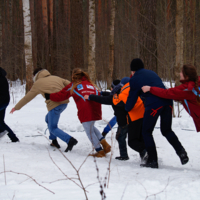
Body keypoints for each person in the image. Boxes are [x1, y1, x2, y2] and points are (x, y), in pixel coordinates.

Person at [125, 58, 189, 168]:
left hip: (154, 104)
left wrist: (125, 109)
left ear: (133, 70)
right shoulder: (152, 73)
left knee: (146, 131)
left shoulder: (134, 79)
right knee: (167, 130)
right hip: (168, 102)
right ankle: (181, 152)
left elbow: (132, 100)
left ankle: (152, 160)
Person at [45, 68, 111, 158]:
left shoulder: (73, 85)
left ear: (73, 76)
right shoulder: (90, 84)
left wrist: (49, 96)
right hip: (95, 107)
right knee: (91, 127)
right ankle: (105, 144)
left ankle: (99, 151)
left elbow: (61, 95)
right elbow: (98, 93)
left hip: (85, 110)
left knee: (89, 131)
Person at [10, 67, 78, 152]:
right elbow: (70, 84)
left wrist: (16, 107)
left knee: (52, 127)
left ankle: (70, 140)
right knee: (48, 119)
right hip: (64, 103)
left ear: (35, 75)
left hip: (54, 105)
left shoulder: (38, 83)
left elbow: (27, 98)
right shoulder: (56, 77)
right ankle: (54, 141)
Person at [142, 64, 200, 132]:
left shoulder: (187, 89)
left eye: (181, 72)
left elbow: (167, 93)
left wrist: (150, 89)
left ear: (186, 76)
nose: (180, 74)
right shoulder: (195, 84)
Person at [84, 79, 129, 160]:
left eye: (112, 87)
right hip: (128, 119)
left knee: (121, 137)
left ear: (114, 88)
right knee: (130, 138)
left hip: (124, 121)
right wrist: (101, 93)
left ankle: (124, 155)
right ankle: (128, 154)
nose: (111, 89)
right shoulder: (121, 93)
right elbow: (109, 95)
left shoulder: (115, 98)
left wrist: (90, 97)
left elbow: (103, 99)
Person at [112, 77, 147, 163]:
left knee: (132, 141)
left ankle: (145, 152)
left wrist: (114, 95)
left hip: (133, 119)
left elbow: (117, 102)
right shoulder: (136, 89)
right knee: (141, 138)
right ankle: (146, 155)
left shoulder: (123, 93)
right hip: (144, 116)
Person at [0, 67, 19, 142]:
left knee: (1, 122)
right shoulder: (2, 77)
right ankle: (13, 138)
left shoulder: (1, 79)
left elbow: (3, 94)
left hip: (2, 102)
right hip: (4, 101)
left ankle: (2, 131)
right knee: (1, 121)